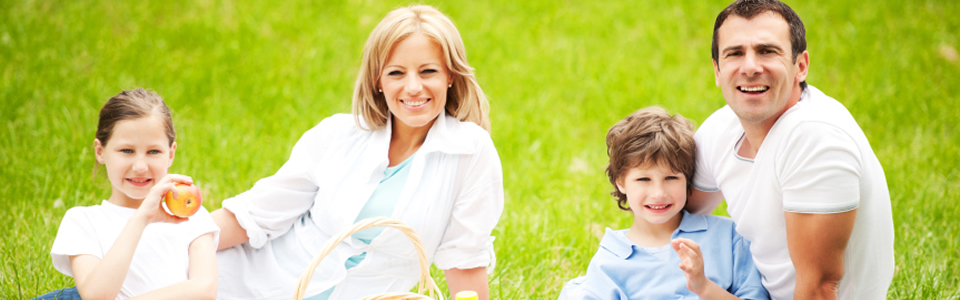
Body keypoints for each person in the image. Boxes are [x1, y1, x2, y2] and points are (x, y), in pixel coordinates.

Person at [210, 5, 503, 300]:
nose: (413, 87)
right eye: (396, 73)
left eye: (428, 71)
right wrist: (179, 239)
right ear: (378, 80)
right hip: (255, 281)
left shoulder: (470, 152)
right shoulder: (338, 134)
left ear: (451, 75)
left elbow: (464, 258)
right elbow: (258, 215)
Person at [688, 0, 895, 299]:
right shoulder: (721, 128)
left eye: (767, 51)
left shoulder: (816, 138)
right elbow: (671, 216)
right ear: (718, 71)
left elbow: (820, 288)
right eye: (735, 53)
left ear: (800, 66)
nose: (749, 67)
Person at [559, 107, 769, 300]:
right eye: (643, 180)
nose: (658, 193)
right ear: (621, 182)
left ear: (688, 178)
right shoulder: (609, 261)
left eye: (671, 178)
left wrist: (704, 288)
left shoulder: (730, 237)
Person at [39, 88, 220, 300]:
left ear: (170, 154)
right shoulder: (82, 221)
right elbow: (97, 296)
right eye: (127, 151)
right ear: (100, 151)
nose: (140, 166)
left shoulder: (191, 217)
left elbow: (204, 290)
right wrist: (141, 219)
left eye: (154, 151)